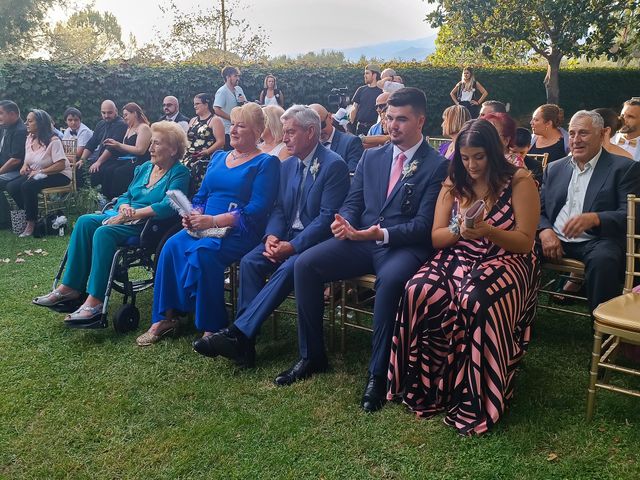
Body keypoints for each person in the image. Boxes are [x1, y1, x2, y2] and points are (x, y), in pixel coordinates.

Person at [277, 88, 448, 414]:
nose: (392, 125)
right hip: (360, 240)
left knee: (391, 283)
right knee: (305, 264)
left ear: (420, 120)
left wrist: (379, 233)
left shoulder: (436, 165)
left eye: (401, 119)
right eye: (388, 118)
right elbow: (354, 202)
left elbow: (425, 225)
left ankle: (378, 375)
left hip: (403, 246)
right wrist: (345, 223)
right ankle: (312, 356)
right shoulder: (374, 155)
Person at [387, 118, 541, 436]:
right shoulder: (453, 180)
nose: (471, 164)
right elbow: (437, 238)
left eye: (479, 157)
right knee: (421, 289)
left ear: (493, 154)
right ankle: (429, 388)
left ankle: (478, 397)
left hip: (508, 260)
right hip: (458, 256)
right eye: (465, 156)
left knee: (477, 298)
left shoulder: (519, 181)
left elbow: (525, 241)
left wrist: (487, 231)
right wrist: (461, 228)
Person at [192, 105, 350, 366]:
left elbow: (326, 218)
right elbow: (278, 208)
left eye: (290, 132)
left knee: (290, 267)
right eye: (284, 132)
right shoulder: (287, 166)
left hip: (316, 242)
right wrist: (272, 236)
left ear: (311, 132)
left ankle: (238, 336)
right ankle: (246, 346)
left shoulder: (333, 165)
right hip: (284, 236)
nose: (284, 137)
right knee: (251, 262)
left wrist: (292, 245)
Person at [136, 103, 280, 346]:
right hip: (203, 224)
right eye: (232, 124)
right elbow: (202, 195)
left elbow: (258, 208)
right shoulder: (219, 157)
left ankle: (212, 325)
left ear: (257, 131)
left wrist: (214, 220)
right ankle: (166, 317)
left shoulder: (266, 163)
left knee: (203, 253)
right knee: (171, 246)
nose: (232, 130)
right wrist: (193, 214)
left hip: (238, 230)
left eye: (241, 126)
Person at [32, 122, 191, 325]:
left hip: (147, 224)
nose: (150, 148)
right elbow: (126, 195)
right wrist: (124, 207)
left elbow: (169, 205)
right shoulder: (144, 168)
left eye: (157, 143)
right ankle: (70, 288)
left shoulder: (179, 173)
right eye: (150, 142)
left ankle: (96, 301)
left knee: (103, 233)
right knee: (84, 222)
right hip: (123, 214)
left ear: (173, 149)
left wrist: (132, 213)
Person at [538, 110, 640, 313]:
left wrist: (595, 218)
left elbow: (632, 216)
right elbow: (539, 210)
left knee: (605, 259)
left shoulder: (624, 168)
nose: (575, 140)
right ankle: (519, 320)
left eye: (583, 133)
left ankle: (603, 328)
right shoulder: (555, 168)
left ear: (602, 134)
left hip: (598, 240)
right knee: (518, 249)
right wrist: (544, 231)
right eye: (572, 133)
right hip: (554, 237)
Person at [6, 110, 71, 237]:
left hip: (59, 174)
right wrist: (25, 166)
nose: (26, 123)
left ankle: (31, 222)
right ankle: (32, 213)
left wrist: (40, 171)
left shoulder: (54, 141)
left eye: (30, 121)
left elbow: (61, 164)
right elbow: (28, 158)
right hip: (36, 172)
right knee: (11, 186)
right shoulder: (29, 138)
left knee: (27, 186)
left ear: (40, 123)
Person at [102, 102, 152, 198]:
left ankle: (119, 198)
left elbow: (140, 150)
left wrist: (119, 145)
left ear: (135, 113)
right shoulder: (129, 128)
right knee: (107, 168)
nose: (124, 117)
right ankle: (105, 197)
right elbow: (125, 148)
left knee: (119, 172)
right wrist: (114, 144)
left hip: (140, 161)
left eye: (126, 115)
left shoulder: (143, 128)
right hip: (127, 159)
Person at [80, 100, 128, 198]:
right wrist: (82, 160)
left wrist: (98, 162)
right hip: (100, 157)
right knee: (79, 168)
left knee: (100, 169)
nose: (106, 115)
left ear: (116, 111)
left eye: (109, 112)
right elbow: (91, 143)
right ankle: (83, 197)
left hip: (115, 158)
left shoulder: (121, 124)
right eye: (103, 112)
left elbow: (111, 147)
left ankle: (105, 200)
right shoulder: (100, 124)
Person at [182, 93, 225, 185]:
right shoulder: (193, 120)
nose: (195, 106)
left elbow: (221, 141)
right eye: (194, 104)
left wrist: (207, 151)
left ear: (206, 105)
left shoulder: (215, 120)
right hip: (188, 157)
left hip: (204, 160)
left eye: (197, 104)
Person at [310, 103, 364, 173]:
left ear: (330, 118)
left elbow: (352, 176)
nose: (319, 131)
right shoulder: (307, 146)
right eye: (313, 129)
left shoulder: (351, 143)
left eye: (321, 125)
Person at [0, 100, 27, 229]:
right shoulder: (5, 128)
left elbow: (16, 160)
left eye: (1, 113)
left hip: (17, 171)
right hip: (6, 169)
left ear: (12, 114)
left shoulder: (20, 130)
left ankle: (4, 221)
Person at [214, 66, 247, 150]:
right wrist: (232, 118)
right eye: (235, 76)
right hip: (227, 131)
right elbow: (216, 109)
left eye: (238, 76)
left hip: (241, 129)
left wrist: (246, 102)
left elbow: (246, 105)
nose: (238, 78)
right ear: (228, 77)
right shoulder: (222, 91)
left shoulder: (239, 89)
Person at [349, 64, 384, 135]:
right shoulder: (361, 90)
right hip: (360, 128)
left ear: (374, 75)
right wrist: (350, 125)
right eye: (364, 73)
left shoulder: (382, 91)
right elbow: (354, 107)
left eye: (367, 73)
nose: (364, 76)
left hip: (375, 129)